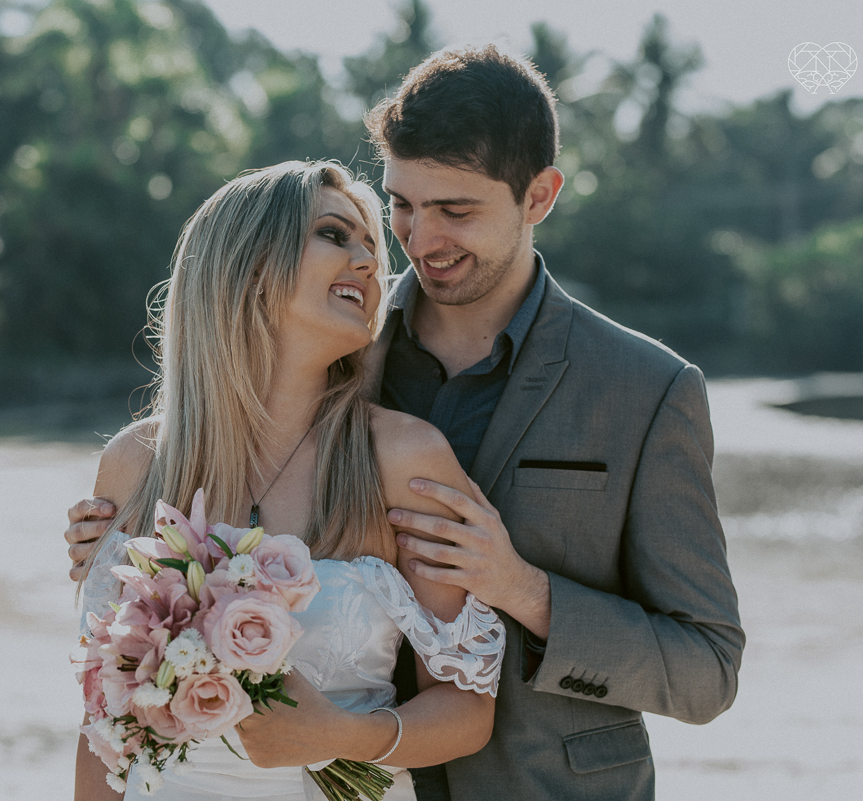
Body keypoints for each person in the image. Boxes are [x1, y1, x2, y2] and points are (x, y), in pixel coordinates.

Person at [67, 45, 744, 801]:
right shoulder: (335, 343)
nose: (416, 242)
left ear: (539, 196)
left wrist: (524, 589)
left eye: (455, 210)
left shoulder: (647, 390)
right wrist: (119, 563)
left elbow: (706, 669)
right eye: (402, 206)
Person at [73, 160, 507, 801]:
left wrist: (339, 738)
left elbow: (469, 709)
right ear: (248, 266)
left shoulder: (402, 458)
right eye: (335, 235)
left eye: (370, 245)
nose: (367, 260)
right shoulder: (136, 463)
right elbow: (102, 718)